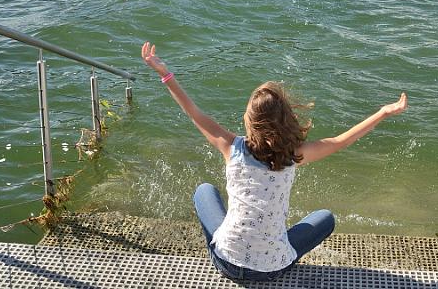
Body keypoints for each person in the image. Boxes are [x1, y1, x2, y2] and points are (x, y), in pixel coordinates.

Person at [140, 42, 408, 282]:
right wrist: (383, 112)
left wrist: (165, 73)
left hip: (226, 263)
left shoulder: (230, 147)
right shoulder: (292, 156)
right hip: (272, 269)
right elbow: (340, 141)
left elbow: (192, 111)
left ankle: (229, 245)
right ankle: (267, 251)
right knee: (325, 218)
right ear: (285, 121)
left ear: (250, 122)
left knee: (204, 191)